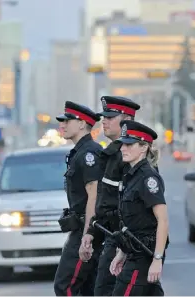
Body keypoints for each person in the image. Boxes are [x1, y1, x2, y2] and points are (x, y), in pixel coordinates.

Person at [79, 96, 140, 296]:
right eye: (104, 116)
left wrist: (125, 244)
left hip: (130, 239)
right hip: (113, 236)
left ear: (128, 119)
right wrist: (90, 232)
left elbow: (139, 206)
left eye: (111, 117)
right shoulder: (110, 154)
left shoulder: (133, 154)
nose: (104, 121)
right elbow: (104, 202)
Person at [109, 120, 169, 296]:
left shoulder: (148, 178)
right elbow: (132, 222)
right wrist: (122, 253)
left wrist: (157, 259)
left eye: (129, 144)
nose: (122, 149)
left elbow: (163, 220)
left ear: (143, 148)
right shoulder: (131, 176)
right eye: (122, 144)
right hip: (134, 251)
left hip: (145, 254)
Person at [54, 101, 104, 296]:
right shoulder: (80, 152)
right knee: (88, 289)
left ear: (82, 124)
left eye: (68, 121)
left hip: (86, 229)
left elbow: (94, 195)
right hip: (84, 228)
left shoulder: (89, 153)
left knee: (65, 286)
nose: (62, 125)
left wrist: (87, 235)